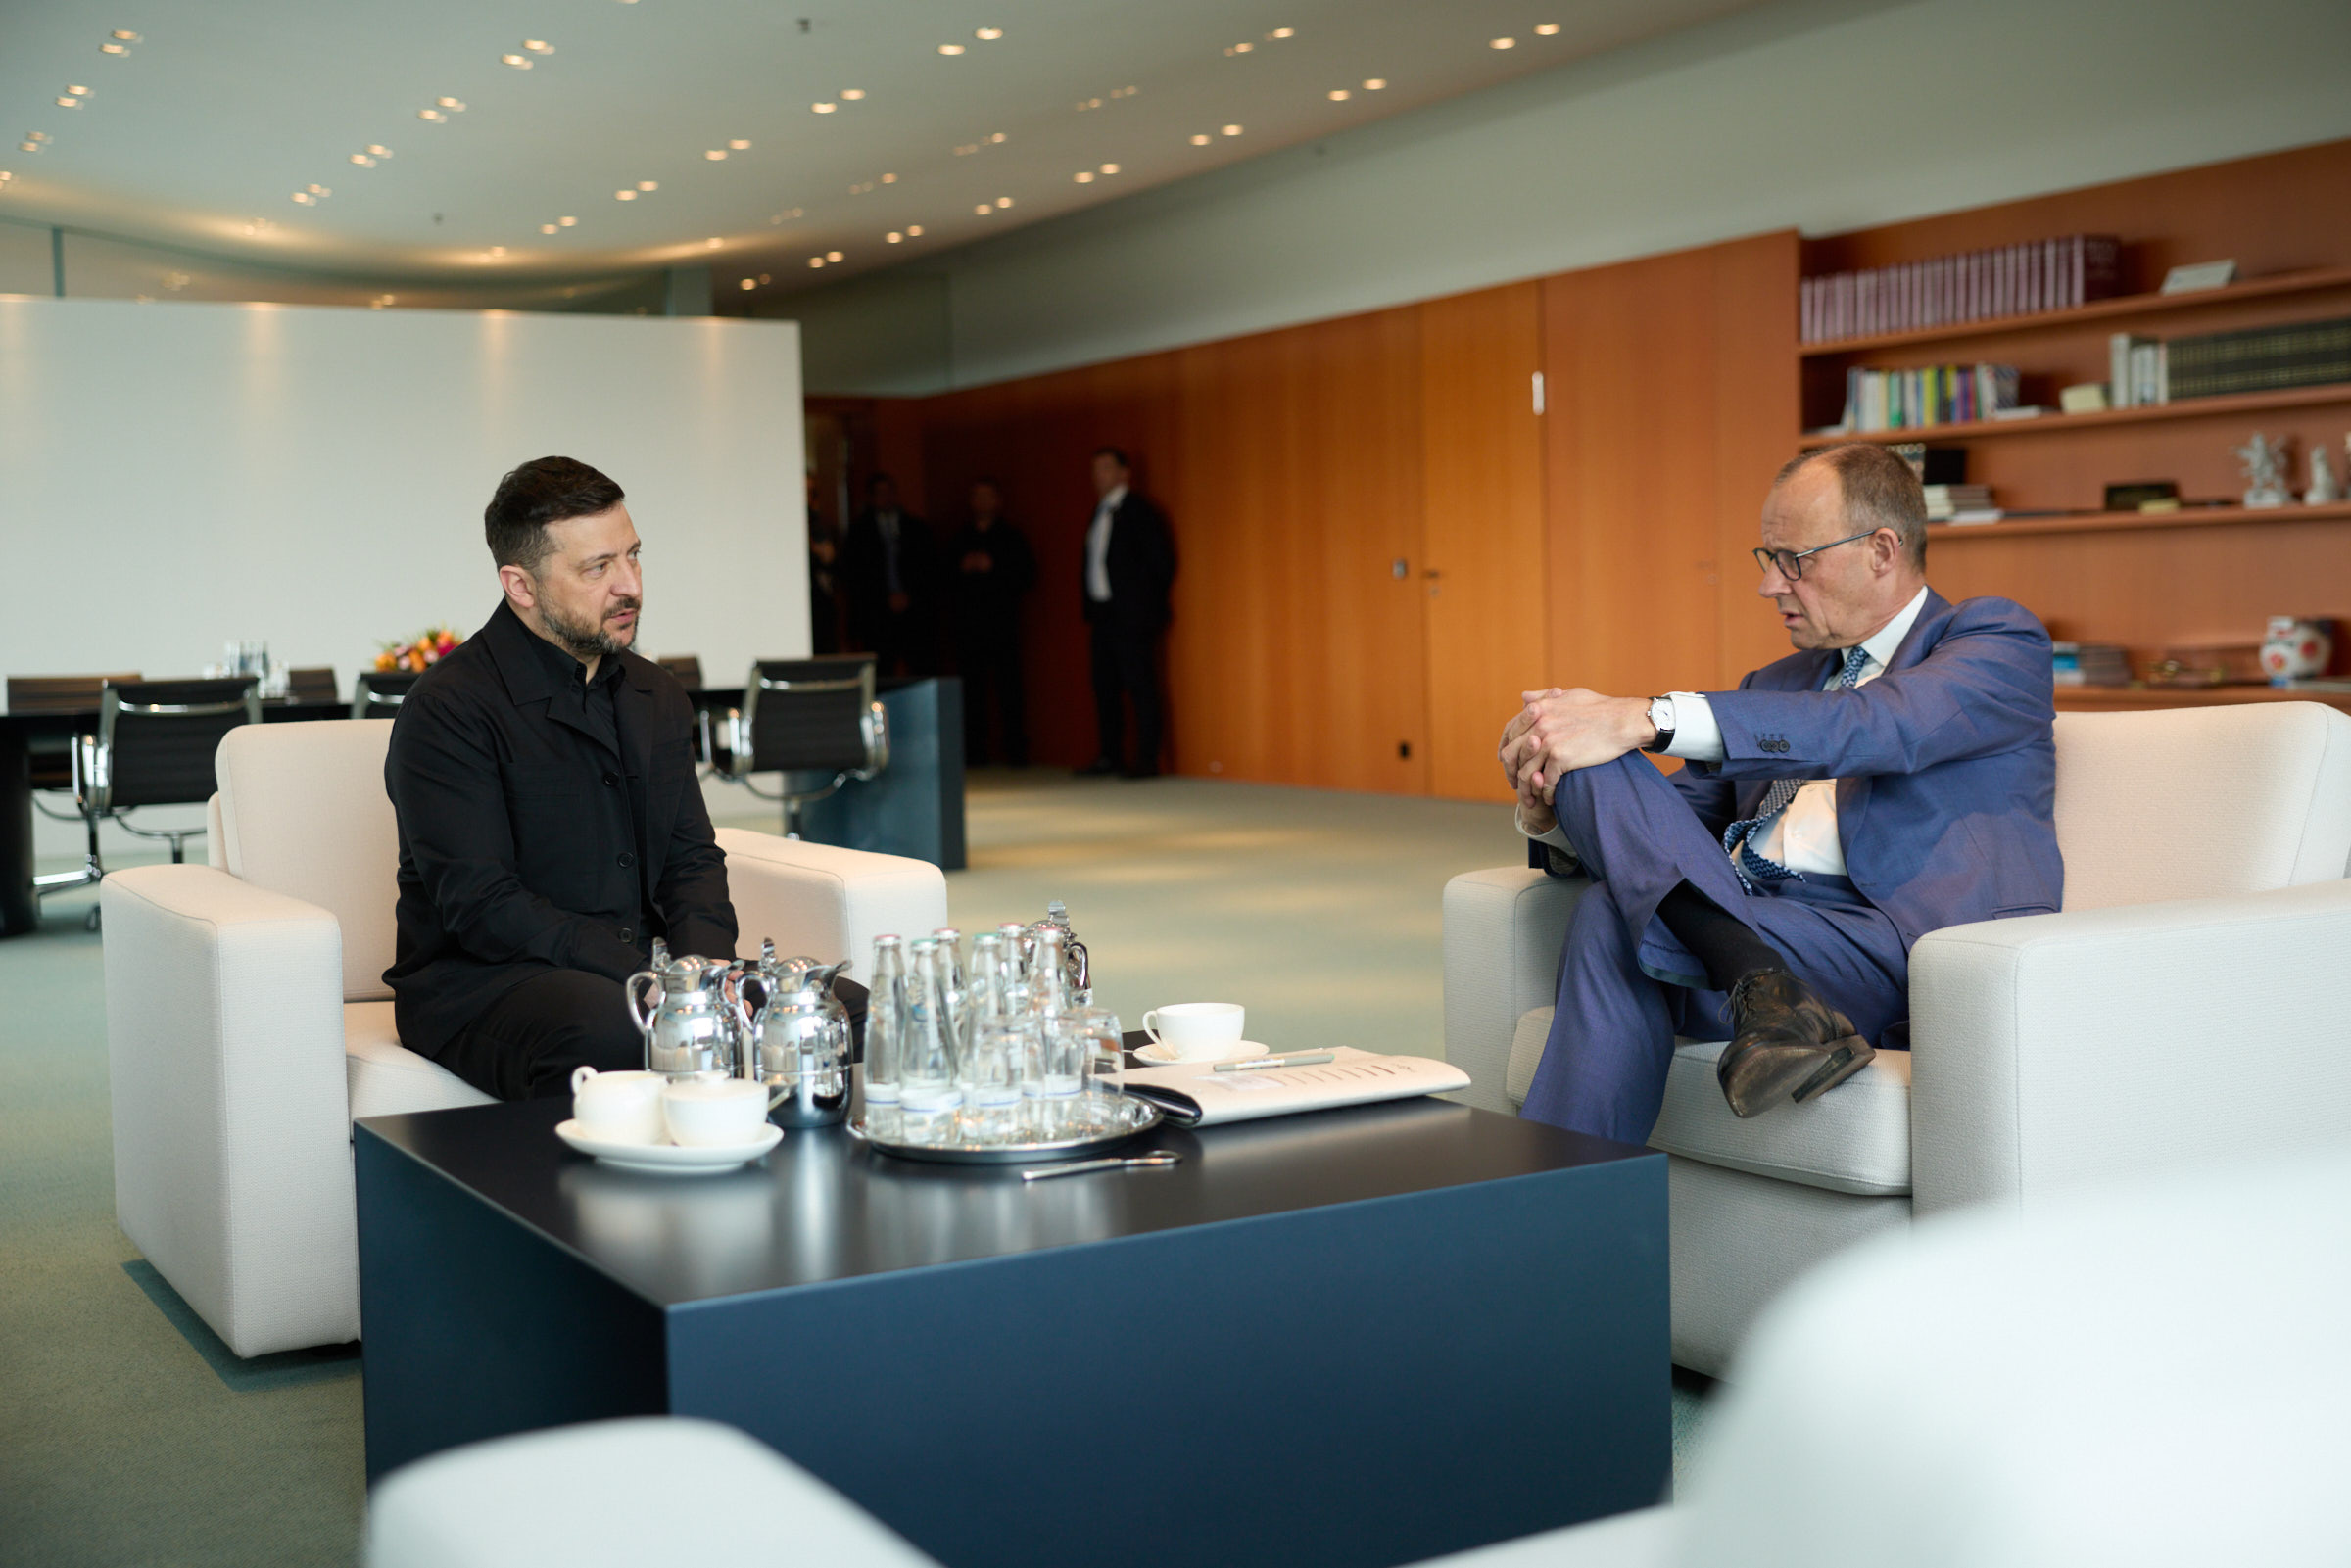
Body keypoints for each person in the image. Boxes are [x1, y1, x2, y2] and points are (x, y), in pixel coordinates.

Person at [1498, 443, 2059, 1144]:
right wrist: (1550, 803)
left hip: (1887, 946)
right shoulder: (1776, 683)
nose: (1770, 585)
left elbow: (1873, 725)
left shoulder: (1995, 642)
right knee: (1590, 759)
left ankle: (1552, 1204)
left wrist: (1647, 716)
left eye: (1795, 560)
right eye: (1768, 558)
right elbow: (1665, 823)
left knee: (1610, 901)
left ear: (1882, 550)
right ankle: (1763, 986)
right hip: (1751, 920)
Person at [381, 456, 738, 1101]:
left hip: (644, 968)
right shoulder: (448, 708)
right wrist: (644, 977)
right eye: (598, 568)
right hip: (485, 981)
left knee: (837, 1008)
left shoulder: (657, 694)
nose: (629, 585)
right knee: (610, 1032)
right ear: (521, 585)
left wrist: (703, 969)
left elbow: (690, 858)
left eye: (633, 556)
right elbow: (484, 904)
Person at [1076, 447, 1176, 779]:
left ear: (1124, 473)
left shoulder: (1138, 511)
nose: (1098, 475)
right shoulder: (1099, 512)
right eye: (1095, 469)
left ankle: (1147, 758)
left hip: (1132, 614)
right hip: (1102, 612)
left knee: (1140, 684)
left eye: (1106, 468)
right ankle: (1110, 755)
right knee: (1104, 685)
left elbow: (1160, 563)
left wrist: (1139, 603)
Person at [945, 477, 1036, 767]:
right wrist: (963, 567)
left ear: (998, 501)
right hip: (968, 625)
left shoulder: (1011, 537)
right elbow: (941, 579)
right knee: (972, 690)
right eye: (977, 496)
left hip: (1002, 623)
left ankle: (1016, 750)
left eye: (988, 496)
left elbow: (1027, 575)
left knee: (1010, 687)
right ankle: (975, 752)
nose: (982, 502)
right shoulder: (960, 538)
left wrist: (994, 567)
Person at [841, 473, 936, 676]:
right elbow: (856, 576)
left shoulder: (916, 528)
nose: (885, 498)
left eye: (888, 492)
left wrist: (909, 595)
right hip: (876, 615)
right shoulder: (859, 532)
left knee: (920, 666)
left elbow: (927, 569)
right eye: (880, 493)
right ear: (871, 497)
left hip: (913, 612)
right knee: (881, 671)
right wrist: (884, 598)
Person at [806, 469, 843, 656]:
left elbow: (834, 567)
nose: (806, 498)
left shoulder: (820, 525)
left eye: (811, 492)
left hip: (820, 608)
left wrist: (824, 555)